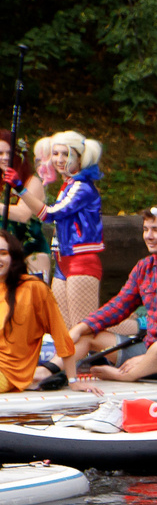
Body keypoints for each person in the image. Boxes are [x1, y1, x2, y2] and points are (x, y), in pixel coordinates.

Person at [63, 207, 157, 384]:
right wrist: (81, 327)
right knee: (87, 334)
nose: (148, 236)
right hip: (150, 350)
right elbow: (118, 307)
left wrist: (147, 358)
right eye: (146, 230)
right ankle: (48, 372)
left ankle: (127, 375)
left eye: (156, 230)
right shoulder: (144, 267)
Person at [31, 131, 103, 329]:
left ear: (80, 157)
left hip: (81, 259)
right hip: (63, 260)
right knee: (64, 327)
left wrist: (21, 190)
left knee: (84, 327)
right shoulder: (67, 185)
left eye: (66, 154)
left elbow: (51, 213)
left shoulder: (82, 187)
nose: (59, 160)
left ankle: (141, 326)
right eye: (55, 154)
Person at [0, 227, 73, 391]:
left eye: (3, 253)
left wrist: (74, 379)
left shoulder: (33, 288)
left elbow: (61, 335)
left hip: (10, 372)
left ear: (13, 256)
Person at [0, 133, 51, 288]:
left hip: (32, 254)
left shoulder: (32, 182)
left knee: (33, 304)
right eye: (0, 153)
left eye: (9, 153)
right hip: (4, 256)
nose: (4, 158)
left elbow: (23, 214)